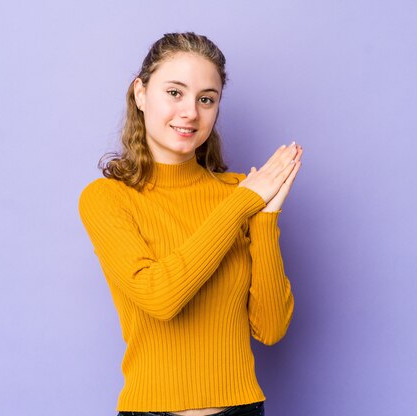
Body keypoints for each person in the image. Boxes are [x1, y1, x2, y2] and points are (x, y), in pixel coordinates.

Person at [79, 32, 303, 416]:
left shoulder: (238, 193)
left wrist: (265, 219)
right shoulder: (107, 198)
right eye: (174, 93)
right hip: (150, 411)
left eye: (206, 99)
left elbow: (270, 328)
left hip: (242, 409)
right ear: (141, 93)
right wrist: (242, 205)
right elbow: (160, 298)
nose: (190, 113)